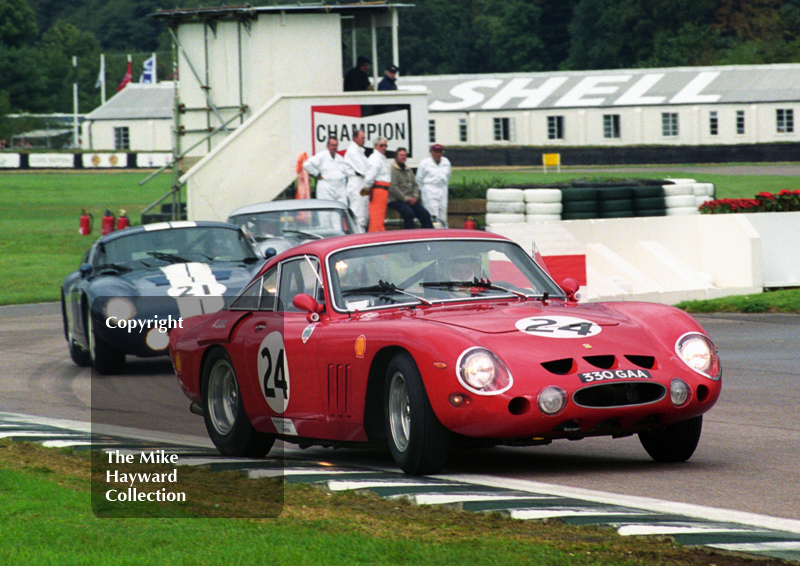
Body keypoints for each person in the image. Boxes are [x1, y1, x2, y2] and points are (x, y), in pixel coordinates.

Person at [388, 148, 433, 229]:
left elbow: (415, 184)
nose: (403, 157)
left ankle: (430, 235)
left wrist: (415, 196)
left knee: (425, 214)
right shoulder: (392, 169)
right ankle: (409, 236)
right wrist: (405, 199)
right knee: (409, 213)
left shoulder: (408, 170)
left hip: (410, 200)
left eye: (405, 155)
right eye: (401, 155)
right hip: (395, 200)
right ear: (396, 157)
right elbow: (393, 188)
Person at [302, 137, 348, 205]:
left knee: (341, 210)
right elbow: (307, 164)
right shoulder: (322, 156)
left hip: (339, 189)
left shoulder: (340, 158)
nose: (334, 147)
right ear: (328, 146)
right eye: (332, 145)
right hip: (326, 189)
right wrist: (316, 174)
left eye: (336, 145)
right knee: (326, 211)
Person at [416, 143, 452, 227]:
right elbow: (419, 179)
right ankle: (435, 235)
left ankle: (445, 235)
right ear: (431, 153)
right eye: (436, 152)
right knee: (433, 215)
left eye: (440, 152)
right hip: (429, 189)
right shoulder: (425, 163)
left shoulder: (446, 162)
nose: (438, 154)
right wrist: (425, 190)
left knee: (443, 213)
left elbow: (448, 175)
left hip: (442, 188)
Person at [343, 129, 369, 230]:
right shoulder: (353, 151)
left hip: (361, 182)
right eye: (362, 138)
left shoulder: (360, 151)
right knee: (357, 212)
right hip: (356, 182)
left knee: (363, 212)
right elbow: (363, 169)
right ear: (355, 138)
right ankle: (358, 236)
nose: (364, 140)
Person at [363, 137, 391, 232]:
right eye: (381, 145)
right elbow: (370, 176)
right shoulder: (375, 158)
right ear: (375, 146)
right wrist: (366, 188)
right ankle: (376, 236)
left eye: (385, 145)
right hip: (378, 190)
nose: (384, 147)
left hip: (384, 190)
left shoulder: (382, 158)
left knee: (380, 217)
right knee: (376, 218)